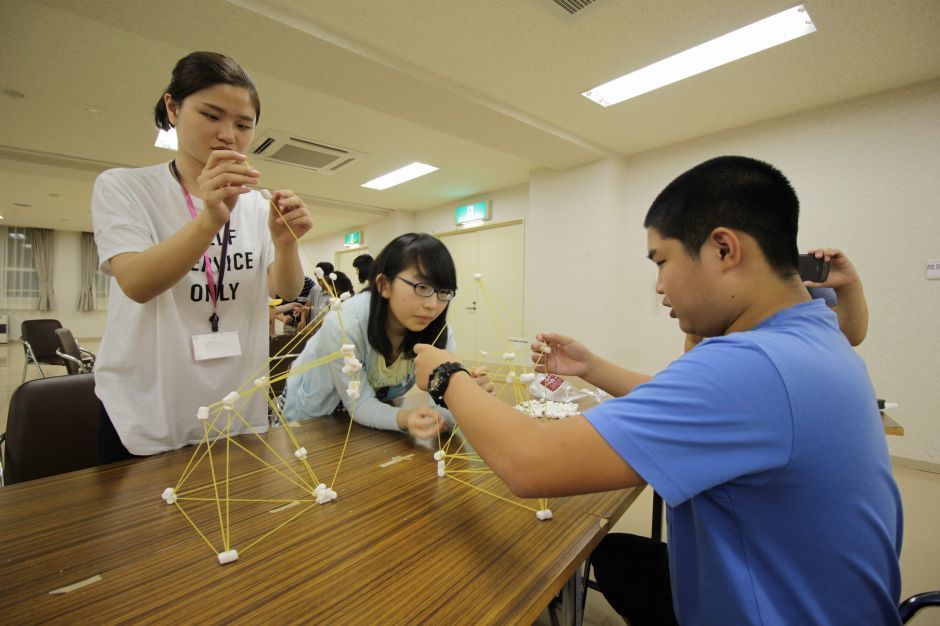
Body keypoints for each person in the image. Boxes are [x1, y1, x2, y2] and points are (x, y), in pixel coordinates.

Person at [413, 156, 902, 624]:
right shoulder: (812, 332)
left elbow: (529, 462)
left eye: (661, 260)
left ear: (724, 249)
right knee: (622, 555)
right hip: (832, 602)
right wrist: (592, 367)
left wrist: (446, 375)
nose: (658, 286)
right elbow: (695, 404)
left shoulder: (750, 366)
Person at [92, 51, 313, 460]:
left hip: (237, 404)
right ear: (173, 108)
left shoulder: (256, 202)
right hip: (146, 409)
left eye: (243, 124)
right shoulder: (124, 188)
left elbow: (286, 289)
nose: (228, 134)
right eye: (212, 116)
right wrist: (210, 218)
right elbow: (137, 284)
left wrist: (285, 244)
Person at [283, 233, 493, 441]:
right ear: (383, 284)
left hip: (366, 428)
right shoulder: (344, 323)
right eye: (422, 287)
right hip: (309, 424)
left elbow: (442, 404)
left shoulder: (436, 329)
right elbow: (361, 404)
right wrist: (404, 417)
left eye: (444, 292)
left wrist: (463, 394)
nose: (433, 305)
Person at [684, 245, 869, 352]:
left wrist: (849, 286)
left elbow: (849, 336)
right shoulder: (715, 279)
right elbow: (693, 340)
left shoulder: (796, 276)